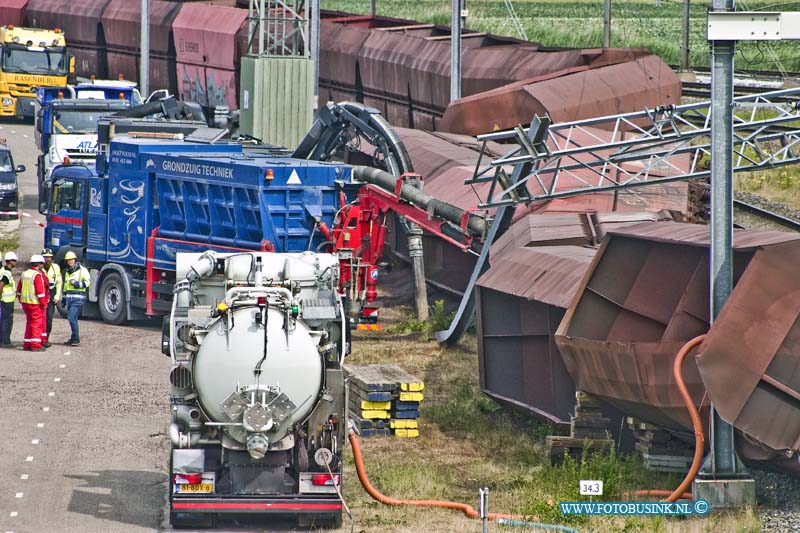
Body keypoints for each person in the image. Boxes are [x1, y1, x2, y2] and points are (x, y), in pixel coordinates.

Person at [17, 254, 49, 351]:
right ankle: (35, 345)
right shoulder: (37, 275)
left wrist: (21, 300)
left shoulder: (25, 273)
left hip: (25, 303)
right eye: (42, 264)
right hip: (34, 303)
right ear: (39, 264)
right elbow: (40, 293)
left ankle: (27, 344)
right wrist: (44, 304)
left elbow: (19, 290)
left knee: (29, 323)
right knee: (36, 323)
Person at [62, 251, 90, 347]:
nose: (70, 262)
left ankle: (76, 339)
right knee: (73, 318)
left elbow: (87, 283)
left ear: (75, 260)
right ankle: (73, 338)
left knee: (71, 317)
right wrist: (63, 298)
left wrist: (76, 283)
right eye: (68, 260)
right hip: (69, 299)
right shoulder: (67, 271)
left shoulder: (82, 270)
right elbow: (65, 286)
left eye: (71, 260)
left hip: (78, 298)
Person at [41, 249, 62, 348]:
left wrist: (57, 296)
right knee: (40, 319)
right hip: (41, 296)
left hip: (51, 295)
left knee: (49, 318)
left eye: (49, 257)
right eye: (45, 257)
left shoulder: (55, 267)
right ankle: (39, 338)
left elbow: (59, 282)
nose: (47, 259)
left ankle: (46, 338)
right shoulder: (39, 268)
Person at [0, 251, 18, 347]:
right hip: (7, 301)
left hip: (6, 300)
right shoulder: (6, 273)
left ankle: (3, 340)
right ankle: (5, 341)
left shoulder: (3, 270)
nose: (15, 262)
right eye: (14, 260)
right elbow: (1, 284)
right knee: (7, 321)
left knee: (4, 320)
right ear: (10, 261)